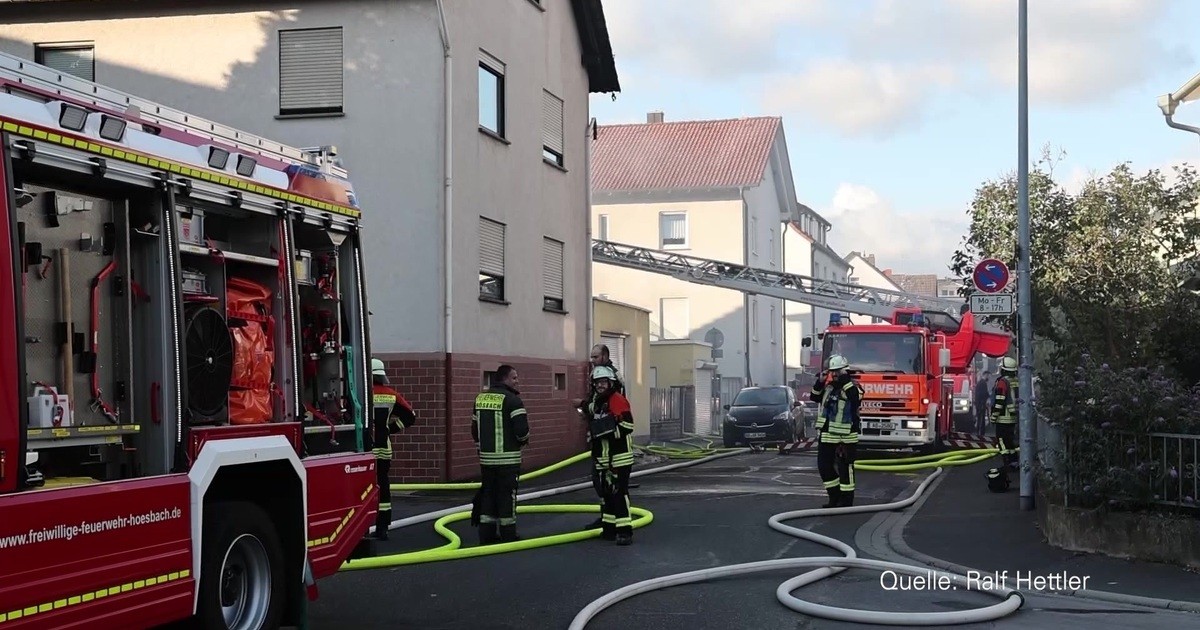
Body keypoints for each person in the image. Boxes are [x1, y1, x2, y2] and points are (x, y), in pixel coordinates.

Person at [471, 365, 529, 545]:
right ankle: (508, 535)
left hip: (487, 460)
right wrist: (523, 441)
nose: (516, 381)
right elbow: (522, 431)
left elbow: (474, 429)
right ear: (504, 378)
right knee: (507, 497)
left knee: (488, 495)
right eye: (514, 378)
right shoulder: (513, 401)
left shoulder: (480, 399)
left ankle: (486, 536)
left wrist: (482, 448)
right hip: (508, 460)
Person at [584, 365, 636, 545]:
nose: (600, 385)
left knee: (619, 493)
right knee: (606, 495)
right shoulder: (597, 402)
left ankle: (624, 532)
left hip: (618, 457)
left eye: (604, 382)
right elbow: (589, 412)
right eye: (597, 382)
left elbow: (628, 426)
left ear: (611, 383)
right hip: (602, 458)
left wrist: (603, 432)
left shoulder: (617, 400)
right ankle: (609, 529)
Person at [371, 358, 417, 541]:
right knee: (383, 485)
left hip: (364, 449)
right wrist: (390, 429)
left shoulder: (360, 393)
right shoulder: (391, 395)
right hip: (384, 448)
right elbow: (410, 417)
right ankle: (383, 528)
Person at [809, 354, 863, 508]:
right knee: (824, 467)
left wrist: (845, 380)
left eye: (837, 372)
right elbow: (814, 397)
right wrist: (820, 382)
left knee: (846, 469)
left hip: (846, 436)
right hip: (827, 435)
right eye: (832, 372)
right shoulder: (830, 387)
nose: (834, 375)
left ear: (844, 371)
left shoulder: (853, 387)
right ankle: (834, 496)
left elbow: (855, 398)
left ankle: (846, 501)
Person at [991, 357, 1019, 470]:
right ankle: (1013, 462)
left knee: (1002, 442)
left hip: (1003, 418)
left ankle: (1006, 463)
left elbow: (999, 401)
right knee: (1010, 442)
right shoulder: (1015, 381)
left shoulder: (1002, 382)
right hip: (1012, 417)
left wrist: (994, 416)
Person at [974, 370, 991, 436]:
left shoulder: (981, 382)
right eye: (988, 376)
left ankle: (979, 432)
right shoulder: (983, 383)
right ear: (985, 375)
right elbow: (982, 393)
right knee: (981, 419)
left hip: (979, 403)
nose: (988, 378)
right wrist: (988, 395)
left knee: (980, 418)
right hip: (981, 404)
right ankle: (980, 433)